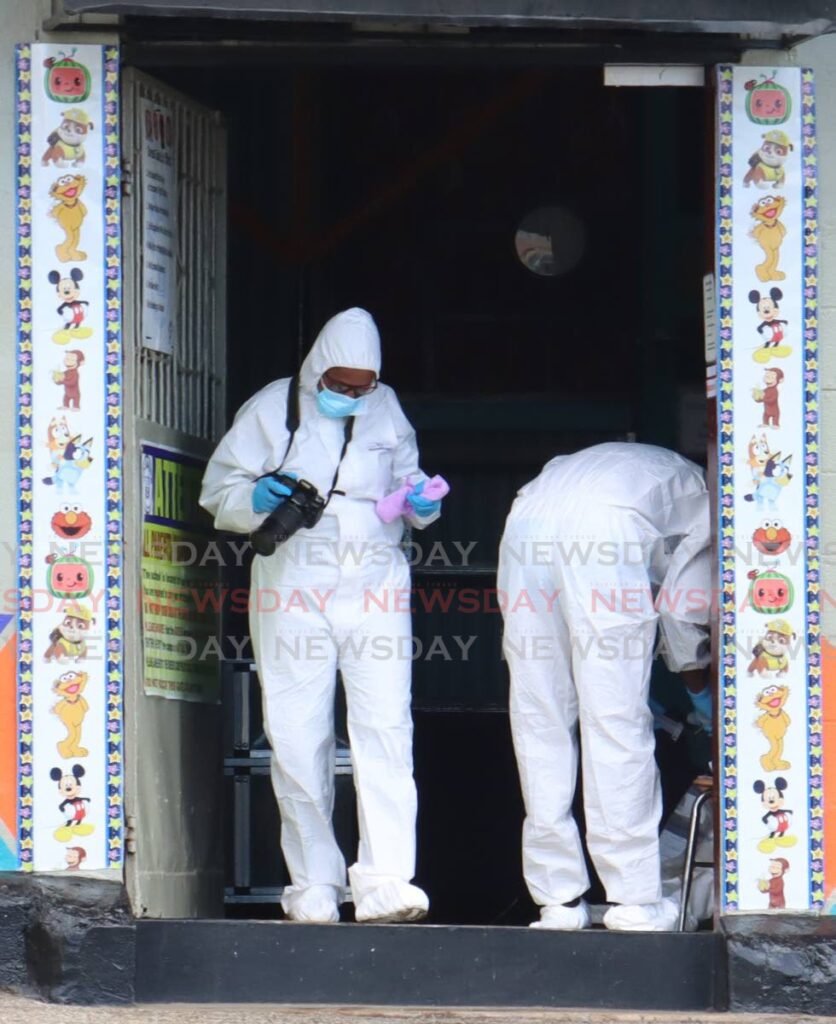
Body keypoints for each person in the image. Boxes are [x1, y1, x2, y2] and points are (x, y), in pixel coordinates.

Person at [200, 308, 444, 925]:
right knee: (296, 731)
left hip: (376, 582)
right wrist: (255, 499)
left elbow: (413, 490)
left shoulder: (388, 409)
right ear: (317, 368)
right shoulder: (272, 408)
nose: (353, 396)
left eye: (363, 386)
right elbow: (218, 493)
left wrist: (419, 504)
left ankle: (387, 880)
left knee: (387, 728)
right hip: (294, 582)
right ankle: (312, 883)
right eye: (341, 384)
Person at [498, 442, 712, 932]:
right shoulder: (704, 496)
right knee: (614, 719)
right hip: (604, 533)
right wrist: (701, 700)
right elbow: (682, 615)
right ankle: (635, 900)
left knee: (540, 717)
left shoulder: (627, 464)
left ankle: (557, 901)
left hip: (525, 521)